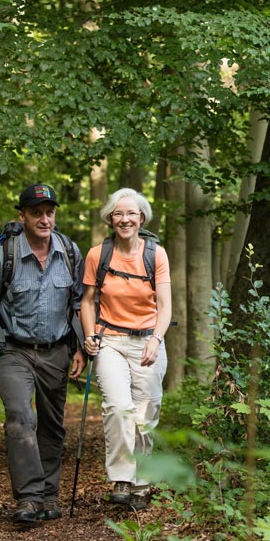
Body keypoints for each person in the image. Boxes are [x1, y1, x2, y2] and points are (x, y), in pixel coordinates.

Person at [0, 183, 86, 525]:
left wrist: (80, 350)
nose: (44, 219)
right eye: (36, 213)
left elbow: (79, 304)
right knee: (20, 417)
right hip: (14, 351)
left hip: (58, 350)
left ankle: (49, 495)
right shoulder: (3, 257)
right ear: (22, 216)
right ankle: (30, 498)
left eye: (49, 212)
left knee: (52, 425)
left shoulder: (70, 252)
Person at [80, 187, 172, 511]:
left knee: (145, 413)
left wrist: (155, 339)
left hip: (148, 338)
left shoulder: (156, 254)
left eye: (131, 213)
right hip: (111, 341)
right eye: (118, 214)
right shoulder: (98, 255)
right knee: (119, 406)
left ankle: (142, 482)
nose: (124, 219)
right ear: (110, 219)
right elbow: (87, 301)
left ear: (142, 217)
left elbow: (165, 305)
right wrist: (89, 334)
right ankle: (121, 477)